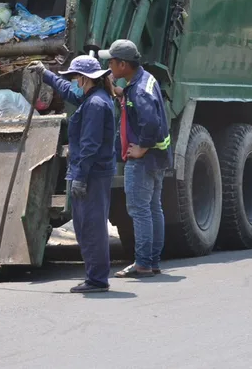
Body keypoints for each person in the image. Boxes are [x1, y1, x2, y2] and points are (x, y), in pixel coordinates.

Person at [27, 55, 115, 294]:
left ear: (85, 79)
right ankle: (93, 276)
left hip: (92, 174)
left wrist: (81, 177)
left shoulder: (96, 104)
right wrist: (46, 74)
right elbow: (68, 91)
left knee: (92, 226)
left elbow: (90, 145)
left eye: (76, 77)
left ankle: (97, 279)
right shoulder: (90, 97)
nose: (74, 81)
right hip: (89, 172)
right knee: (84, 224)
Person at [100, 39, 170, 279]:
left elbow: (150, 121)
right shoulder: (142, 80)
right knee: (153, 208)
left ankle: (142, 263)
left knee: (139, 210)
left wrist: (141, 147)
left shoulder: (138, 90)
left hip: (144, 160)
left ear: (122, 64)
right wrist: (118, 92)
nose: (108, 66)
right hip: (158, 158)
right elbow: (135, 102)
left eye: (111, 62)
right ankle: (152, 261)